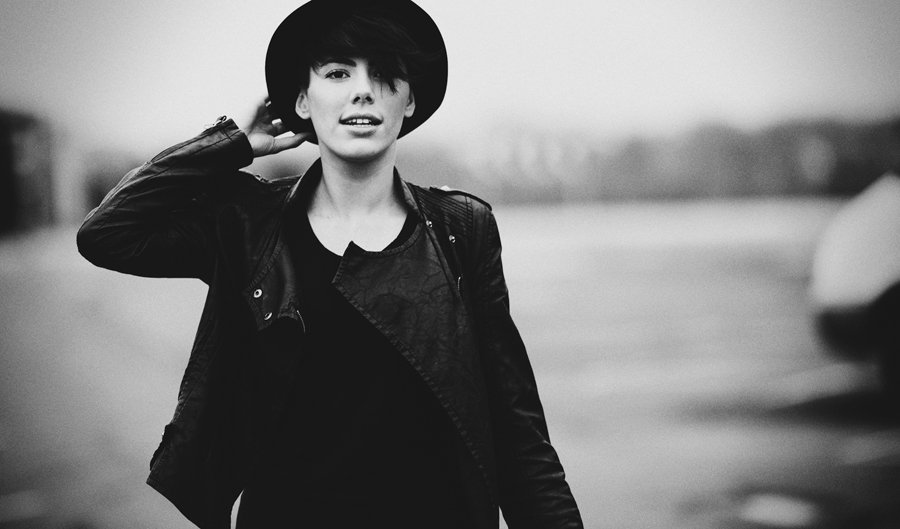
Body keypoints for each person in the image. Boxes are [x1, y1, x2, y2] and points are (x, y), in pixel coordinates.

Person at [76, 0, 583, 527]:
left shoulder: (462, 229)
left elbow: (517, 432)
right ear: (301, 100)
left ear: (409, 101)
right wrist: (233, 146)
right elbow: (107, 234)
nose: (362, 90)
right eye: (338, 73)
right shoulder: (248, 224)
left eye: (384, 74)